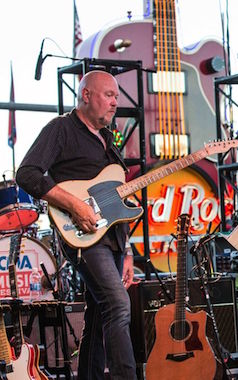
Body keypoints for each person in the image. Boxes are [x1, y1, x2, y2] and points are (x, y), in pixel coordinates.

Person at [16, 70, 137, 379]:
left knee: (99, 315)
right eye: (109, 95)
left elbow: (116, 202)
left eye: (116, 97)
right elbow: (27, 173)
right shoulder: (61, 129)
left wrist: (127, 252)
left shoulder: (108, 141)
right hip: (81, 235)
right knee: (119, 306)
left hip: (111, 240)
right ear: (86, 95)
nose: (115, 103)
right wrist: (73, 203)